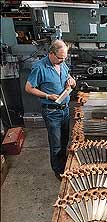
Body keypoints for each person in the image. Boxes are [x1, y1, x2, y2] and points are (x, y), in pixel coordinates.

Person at [25, 40, 76, 181]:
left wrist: (71, 81)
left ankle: (64, 163)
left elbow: (68, 76)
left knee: (65, 140)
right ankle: (58, 170)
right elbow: (29, 88)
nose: (62, 60)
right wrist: (47, 95)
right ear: (51, 53)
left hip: (65, 110)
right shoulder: (39, 67)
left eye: (64, 58)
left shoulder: (62, 63)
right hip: (52, 112)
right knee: (56, 144)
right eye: (60, 58)